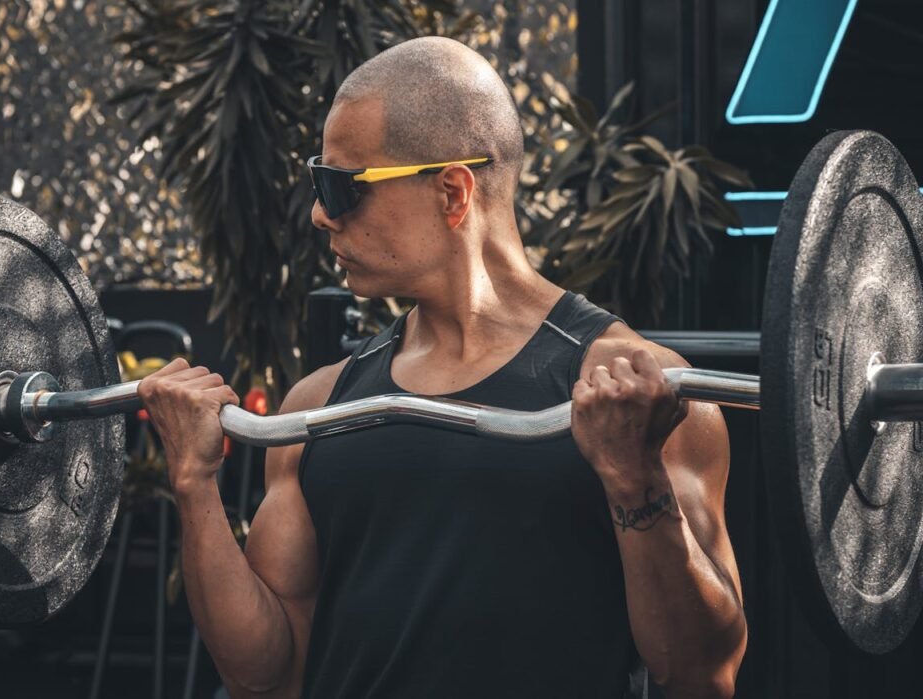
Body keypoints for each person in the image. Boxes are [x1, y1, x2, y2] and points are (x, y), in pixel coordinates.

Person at [138, 36, 746, 699]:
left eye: (340, 187)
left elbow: (701, 675)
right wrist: (195, 483)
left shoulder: (636, 390)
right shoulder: (319, 406)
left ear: (453, 193)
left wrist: (637, 482)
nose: (319, 213)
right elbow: (268, 676)